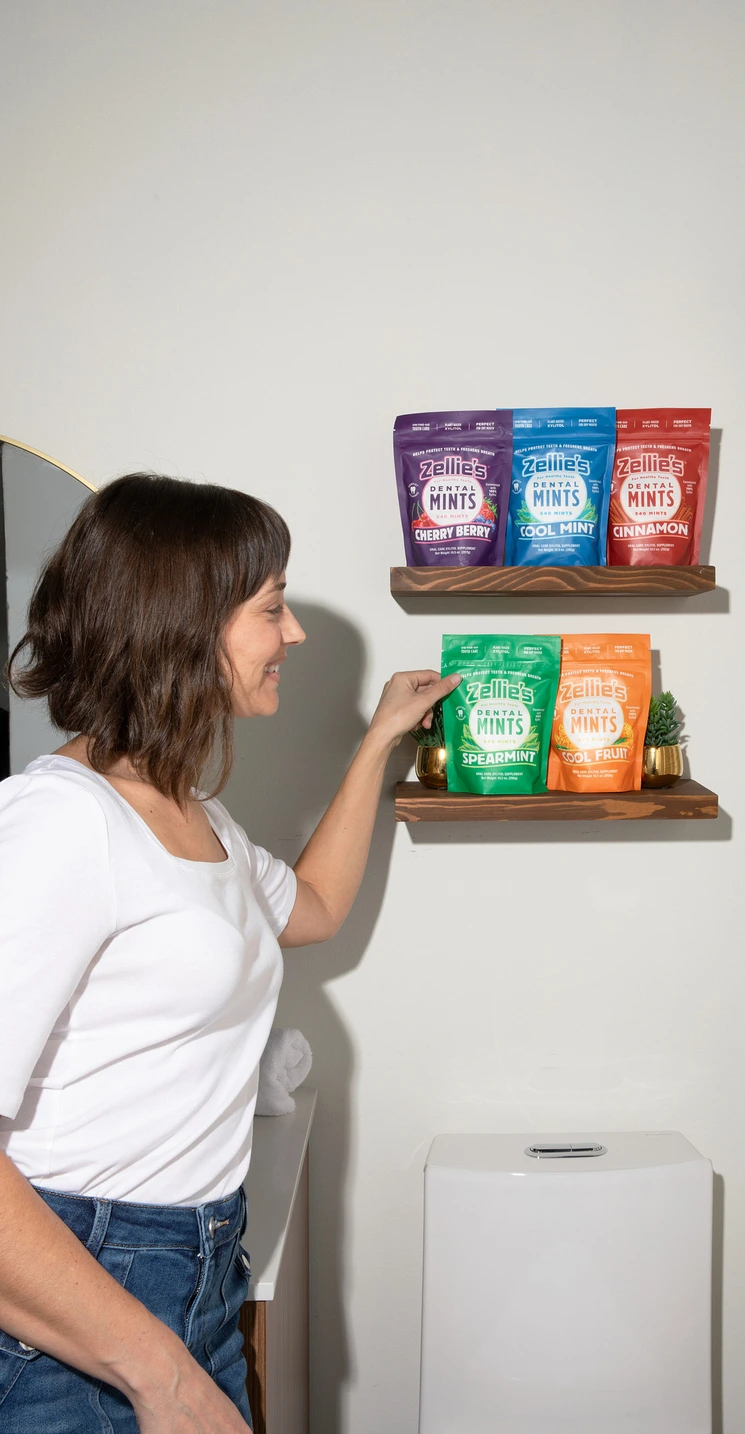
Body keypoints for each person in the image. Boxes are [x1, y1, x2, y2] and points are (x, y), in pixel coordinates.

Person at [0, 473, 459, 1432]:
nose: (291, 635)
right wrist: (159, 1375)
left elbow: (317, 906)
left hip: (198, 1269)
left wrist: (378, 741)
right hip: (82, 1301)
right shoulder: (59, 826)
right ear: (185, 623)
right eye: (272, 608)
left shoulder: (189, 809)